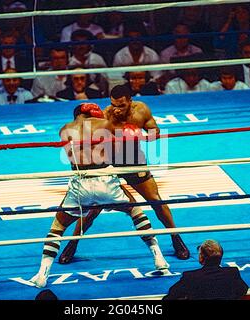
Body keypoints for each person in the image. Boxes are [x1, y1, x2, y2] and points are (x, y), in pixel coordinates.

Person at [29, 102, 169, 288]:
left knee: (57, 227)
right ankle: (159, 258)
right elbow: (126, 142)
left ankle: (42, 274)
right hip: (105, 180)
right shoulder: (105, 125)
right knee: (136, 211)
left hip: (80, 183)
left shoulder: (65, 129)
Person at [58, 85, 190, 264]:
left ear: (130, 101)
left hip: (132, 159)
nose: (116, 109)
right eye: (113, 105)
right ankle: (72, 244)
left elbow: (154, 132)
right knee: (94, 207)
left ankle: (176, 238)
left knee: (155, 200)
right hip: (108, 161)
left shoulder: (141, 110)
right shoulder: (105, 115)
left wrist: (143, 134)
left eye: (121, 105)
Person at [163, 239, 248, 300]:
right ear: (221, 257)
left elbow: (171, 296)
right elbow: (243, 290)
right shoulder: (232, 273)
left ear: (201, 257)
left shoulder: (190, 277)